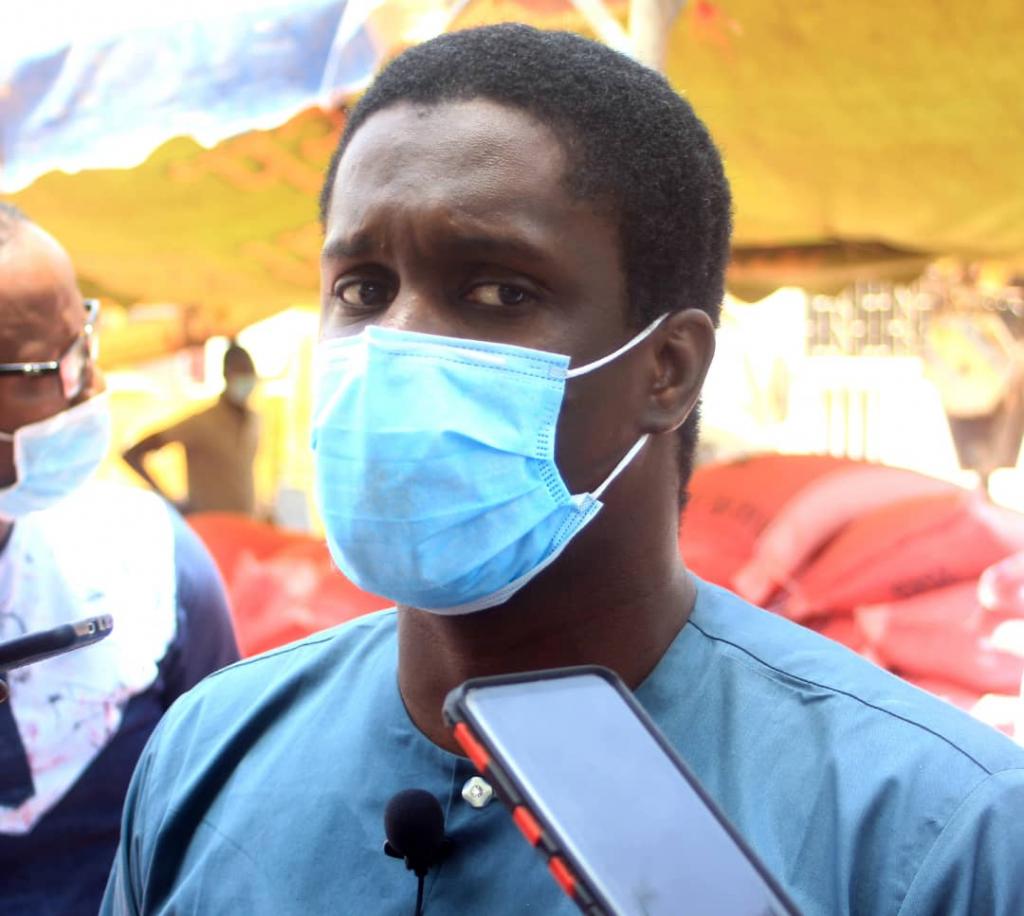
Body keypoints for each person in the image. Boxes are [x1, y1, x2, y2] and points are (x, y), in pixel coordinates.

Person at [102, 26, 1024, 915]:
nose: (399, 344)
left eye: (499, 289)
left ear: (667, 370)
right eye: (362, 288)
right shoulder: (206, 755)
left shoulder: (932, 832)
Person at [0, 202, 239, 915]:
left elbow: (232, 797)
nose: (94, 386)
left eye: (88, 341)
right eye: (63, 362)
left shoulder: (149, 562)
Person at [122, 341, 260, 516]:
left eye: (248, 373)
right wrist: (168, 500)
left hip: (245, 526)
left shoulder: (254, 421)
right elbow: (133, 453)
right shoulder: (201, 423)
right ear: (226, 375)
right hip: (208, 528)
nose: (246, 380)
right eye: (240, 372)